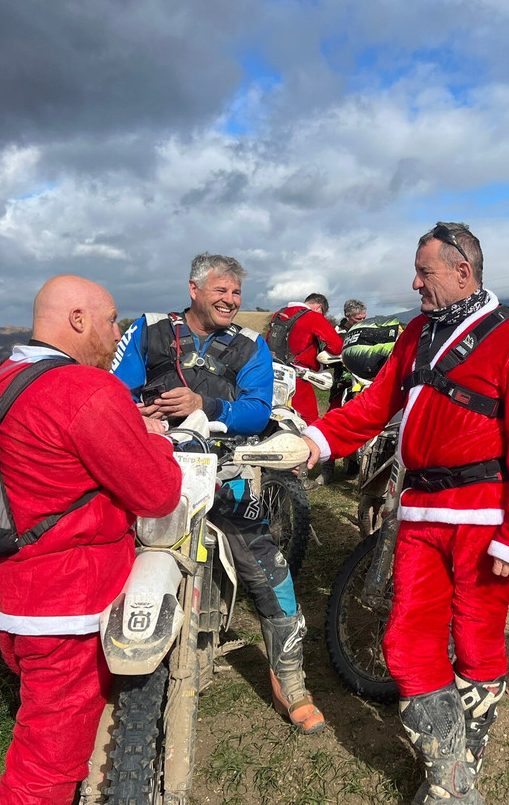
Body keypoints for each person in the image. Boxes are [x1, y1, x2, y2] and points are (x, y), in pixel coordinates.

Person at [301, 222, 509, 802]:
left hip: (483, 522)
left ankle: (457, 776)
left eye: (425, 272)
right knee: (408, 643)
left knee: (477, 644)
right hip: (417, 516)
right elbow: (374, 407)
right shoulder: (418, 331)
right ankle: (449, 773)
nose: (414, 283)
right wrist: (313, 441)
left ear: (463, 273)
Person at [0, 276, 183, 804]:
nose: (118, 334)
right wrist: (156, 441)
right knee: (43, 769)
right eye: (112, 318)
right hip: (67, 605)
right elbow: (158, 495)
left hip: (10, 594)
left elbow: (51, 461)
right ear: (78, 319)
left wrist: (122, 428)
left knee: (45, 733)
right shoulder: (87, 389)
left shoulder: (3, 380)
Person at [111, 253, 325, 734]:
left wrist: (202, 405)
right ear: (194, 289)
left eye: (236, 294)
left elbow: (255, 411)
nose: (230, 300)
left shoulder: (250, 346)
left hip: (225, 473)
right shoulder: (149, 330)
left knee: (271, 571)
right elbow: (114, 390)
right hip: (150, 468)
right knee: (108, 556)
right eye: (221, 291)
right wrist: (139, 415)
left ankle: (289, 677)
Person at [264, 292, 344, 426]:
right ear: (319, 307)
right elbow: (337, 347)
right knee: (310, 420)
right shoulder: (312, 316)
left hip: (272, 371)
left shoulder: (279, 314)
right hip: (297, 376)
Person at [323, 299, 369, 483]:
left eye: (364, 317)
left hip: (366, 382)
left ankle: (361, 462)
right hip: (344, 385)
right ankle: (327, 468)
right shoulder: (336, 333)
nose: (362, 321)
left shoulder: (370, 329)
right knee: (333, 420)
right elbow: (327, 352)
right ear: (348, 317)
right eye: (358, 319)